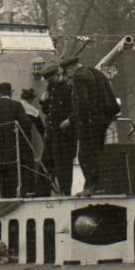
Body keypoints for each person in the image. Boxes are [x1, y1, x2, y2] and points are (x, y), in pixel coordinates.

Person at [64, 55, 120, 195]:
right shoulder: (95, 72)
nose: (67, 75)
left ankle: (91, 187)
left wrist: (78, 121)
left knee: (84, 155)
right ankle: (98, 186)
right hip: (102, 120)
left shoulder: (79, 77)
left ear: (71, 68)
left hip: (89, 122)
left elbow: (83, 102)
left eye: (66, 72)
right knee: (96, 153)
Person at [0, 82, 31, 198]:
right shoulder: (17, 106)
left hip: (0, 151)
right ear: (10, 93)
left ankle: (5, 201)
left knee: (4, 180)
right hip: (16, 150)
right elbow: (26, 125)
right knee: (18, 177)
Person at [40, 66, 76, 195]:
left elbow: (75, 110)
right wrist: (42, 101)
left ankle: (65, 192)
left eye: (51, 79)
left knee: (64, 166)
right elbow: (48, 110)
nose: (50, 82)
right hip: (52, 134)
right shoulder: (51, 89)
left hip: (64, 136)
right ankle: (44, 193)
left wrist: (69, 121)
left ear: (58, 75)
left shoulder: (68, 90)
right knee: (46, 165)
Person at [18, 87, 47, 197]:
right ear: (31, 99)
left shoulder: (14, 106)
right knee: (28, 166)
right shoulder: (33, 111)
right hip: (27, 143)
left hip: (13, 144)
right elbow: (42, 130)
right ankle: (29, 190)